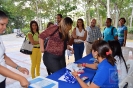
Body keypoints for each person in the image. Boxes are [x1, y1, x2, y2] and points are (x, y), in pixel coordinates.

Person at [0, 10, 29, 88]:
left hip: (2, 79)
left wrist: (18, 67)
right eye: (2, 24)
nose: (5, 27)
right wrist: (20, 78)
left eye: (5, 24)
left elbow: (4, 57)